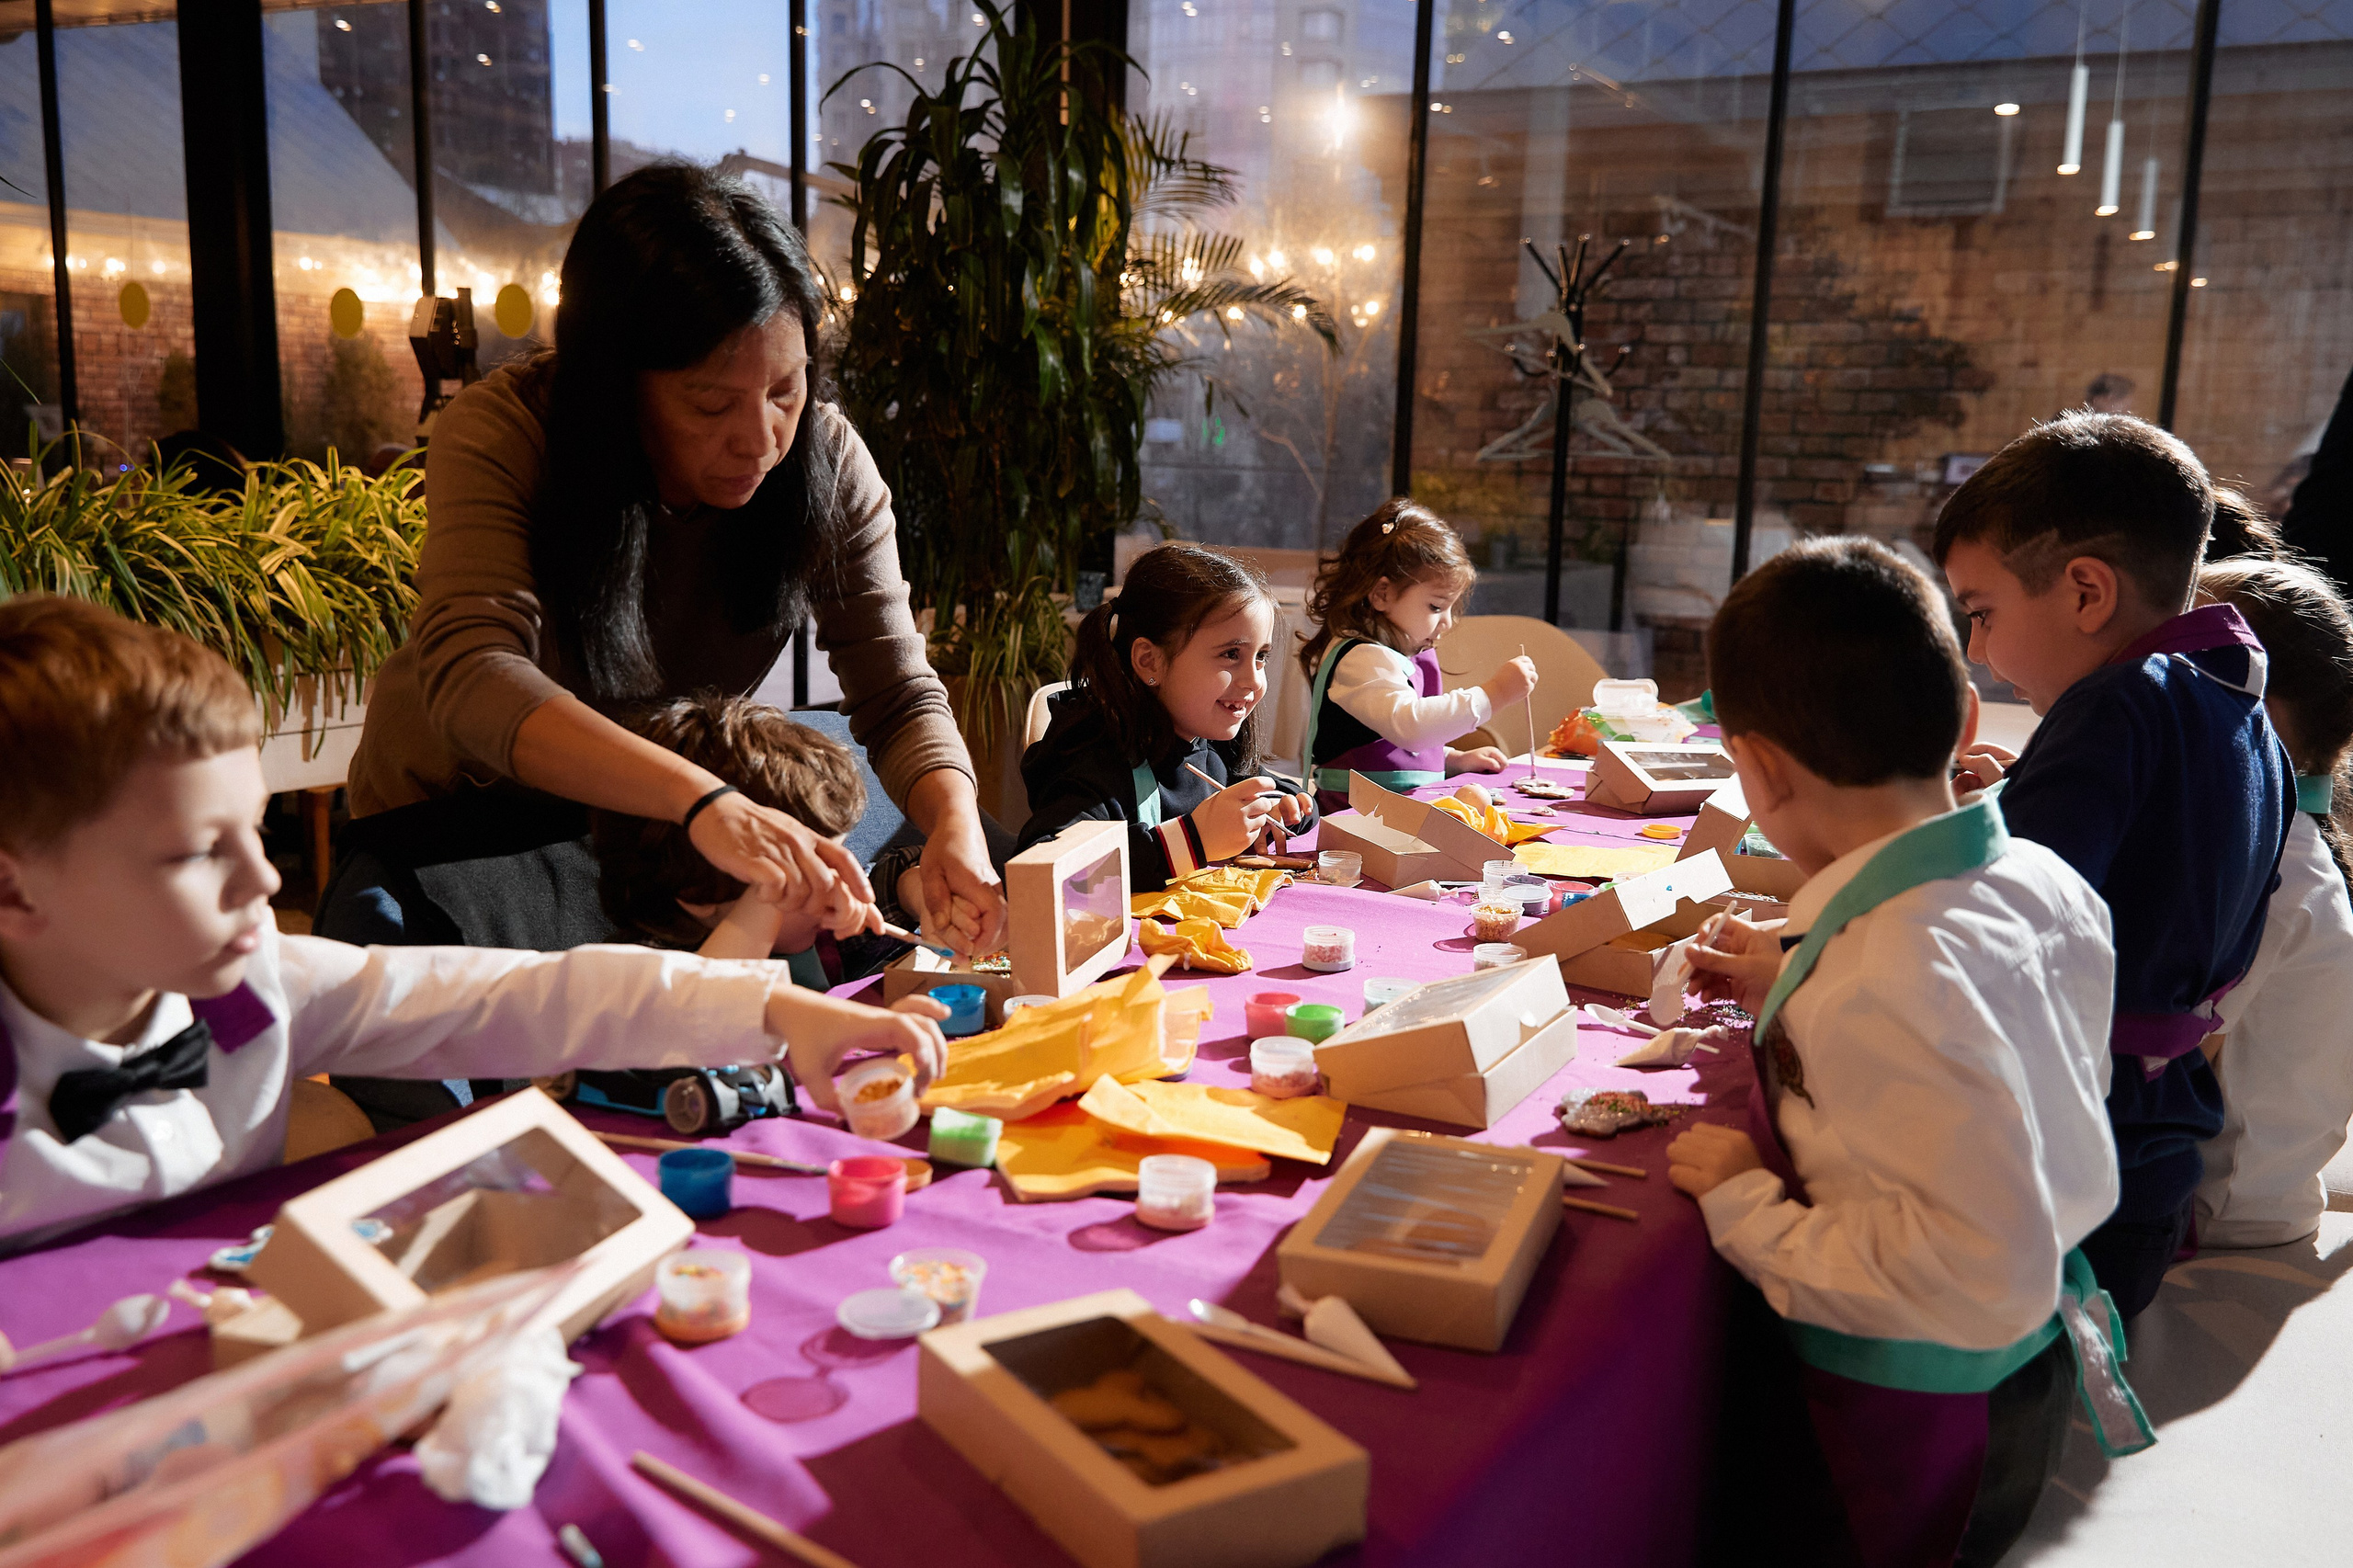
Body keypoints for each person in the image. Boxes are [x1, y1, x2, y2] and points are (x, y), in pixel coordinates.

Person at [0, 597, 945, 1253]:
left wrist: (781, 1015)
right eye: (192, 853)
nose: (264, 875)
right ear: (15, 890)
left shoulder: (255, 986)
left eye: (251, 827)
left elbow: (520, 993)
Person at [339, 163, 1002, 959]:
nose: (761, 439)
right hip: (456, 829)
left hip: (639, 822)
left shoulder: (825, 464)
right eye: (712, 403)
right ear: (616, 384)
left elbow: (896, 692)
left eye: (786, 389)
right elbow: (474, 671)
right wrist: (700, 800)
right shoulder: (507, 434)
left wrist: (955, 826)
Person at [1668, 537, 2136, 1568]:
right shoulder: (2047, 881)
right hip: (2033, 1355)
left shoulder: (1886, 975)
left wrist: (1746, 1200)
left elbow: (1963, 1263)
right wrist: (1800, 961)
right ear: (1965, 719)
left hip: (1919, 1386)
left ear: (1757, 769)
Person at [1933, 411, 2294, 1318]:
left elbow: (1995, 922)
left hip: (2070, 1167)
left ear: (2086, 591)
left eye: (1981, 614)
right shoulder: (2238, 705)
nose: (1976, 650)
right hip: (2155, 1158)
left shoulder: (2116, 706)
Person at [2191, 557, 2353, 1248]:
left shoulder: (2268, 865)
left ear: (2256, 695)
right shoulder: (2290, 840)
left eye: (2185, 668)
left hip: (2220, 1219)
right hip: (2254, 1203)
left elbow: (2164, 1063)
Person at [1018, 544, 1314, 891]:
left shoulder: (1211, 744)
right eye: (1231, 654)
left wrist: (1282, 811)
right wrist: (1194, 841)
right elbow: (1045, 872)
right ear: (1149, 661)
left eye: (1260, 656)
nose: (1254, 681)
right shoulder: (1096, 760)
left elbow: (1280, 790)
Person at [588, 693, 925, 978]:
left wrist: (913, 891)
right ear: (699, 895)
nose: (839, 884)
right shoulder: (640, 978)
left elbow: (880, 887)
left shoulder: (805, 932)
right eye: (810, 866)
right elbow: (699, 1013)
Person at [1296, 500, 1533, 812]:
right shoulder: (1361, 659)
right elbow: (1410, 727)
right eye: (1436, 607)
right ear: (1382, 594)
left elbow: (1393, 748)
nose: (1447, 622)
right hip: (1355, 822)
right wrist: (1495, 694)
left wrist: (1452, 760)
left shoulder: (1392, 657)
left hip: (1391, 818)